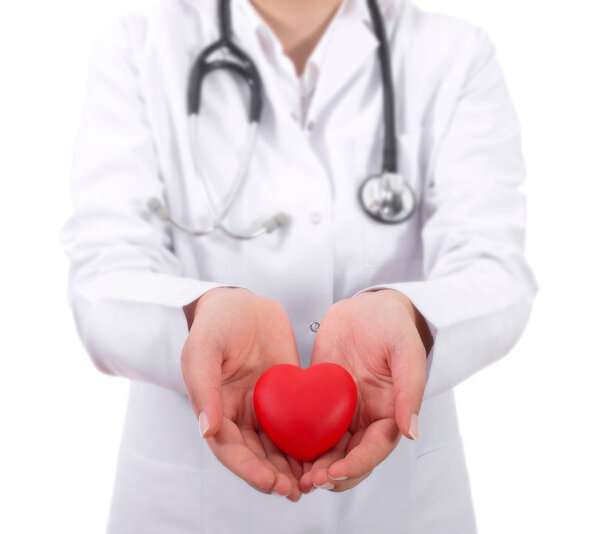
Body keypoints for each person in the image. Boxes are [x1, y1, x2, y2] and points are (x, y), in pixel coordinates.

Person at [60, 0, 538, 531]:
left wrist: (412, 317)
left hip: (397, 506)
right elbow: (103, 274)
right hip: (191, 506)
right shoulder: (139, 47)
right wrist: (200, 312)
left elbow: (495, 270)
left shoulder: (452, 52)